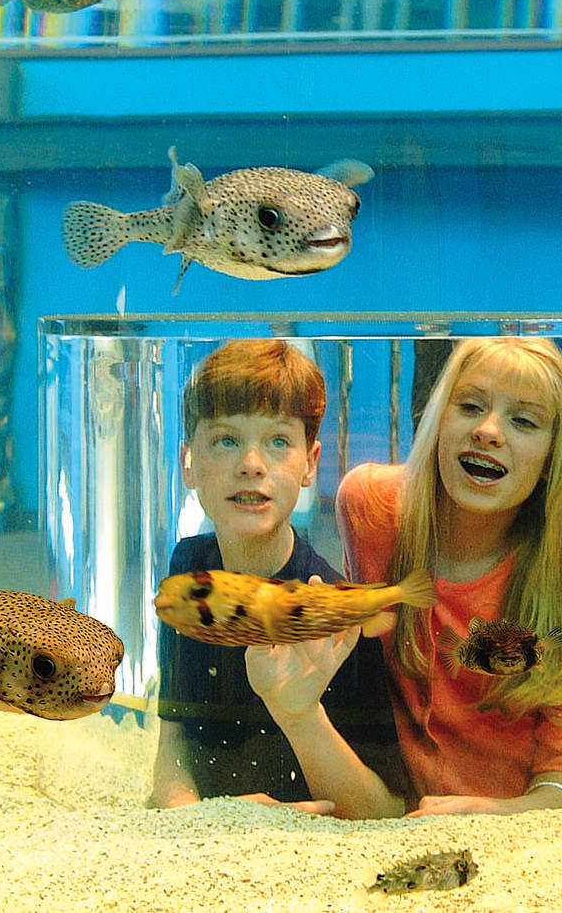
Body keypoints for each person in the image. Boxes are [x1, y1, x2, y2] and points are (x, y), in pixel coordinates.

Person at [250, 336, 562, 817]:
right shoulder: (367, 505)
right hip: (380, 810)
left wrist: (501, 815)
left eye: (524, 421)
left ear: (551, 460)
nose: (489, 431)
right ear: (437, 420)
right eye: (470, 406)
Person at [149, 339, 409, 817]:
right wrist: (189, 818)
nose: (251, 463)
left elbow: (386, 809)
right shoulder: (187, 567)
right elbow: (174, 742)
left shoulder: (335, 614)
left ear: (310, 463)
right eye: (226, 440)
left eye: (277, 441)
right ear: (188, 462)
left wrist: (301, 715)